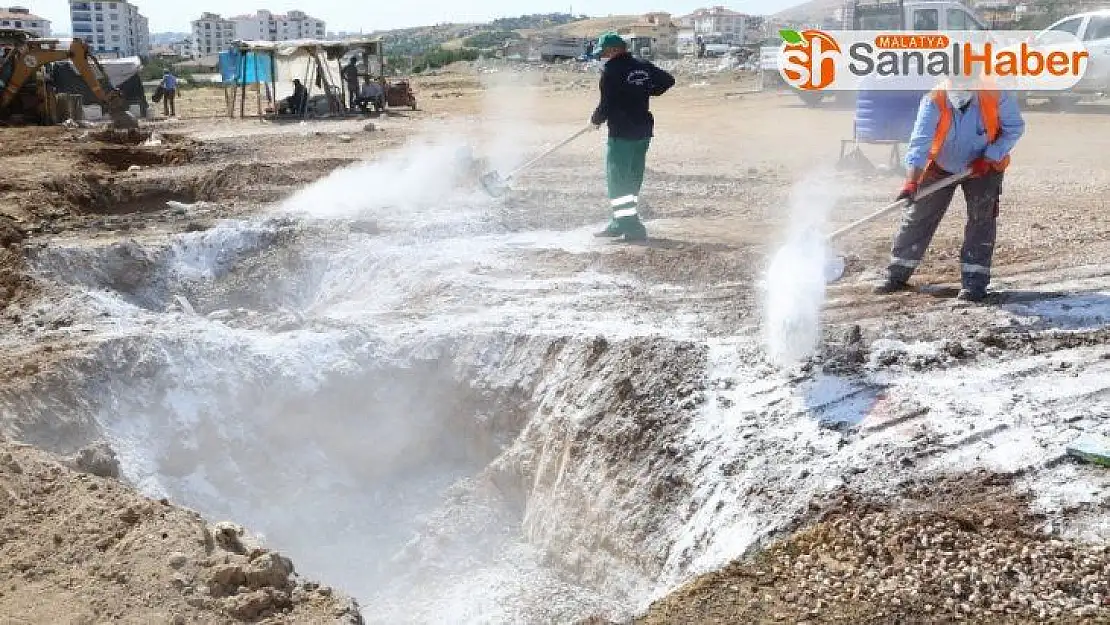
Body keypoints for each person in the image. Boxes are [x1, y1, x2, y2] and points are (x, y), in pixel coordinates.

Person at [874, 74, 1025, 302]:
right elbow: (920, 143)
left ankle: (974, 283)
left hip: (983, 167)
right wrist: (912, 182)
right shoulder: (934, 100)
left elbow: (1014, 127)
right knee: (918, 215)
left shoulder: (995, 94)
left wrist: (990, 157)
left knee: (981, 220)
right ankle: (897, 273)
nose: (960, 89)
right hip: (942, 165)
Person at [589, 32, 675, 242]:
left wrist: (595, 120)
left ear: (614, 49)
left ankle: (632, 227)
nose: (604, 56)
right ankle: (619, 222)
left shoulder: (611, 70)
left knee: (618, 181)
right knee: (633, 178)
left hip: (622, 133)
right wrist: (645, 90)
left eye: (605, 52)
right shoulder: (642, 64)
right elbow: (668, 80)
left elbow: (606, 104)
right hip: (643, 131)